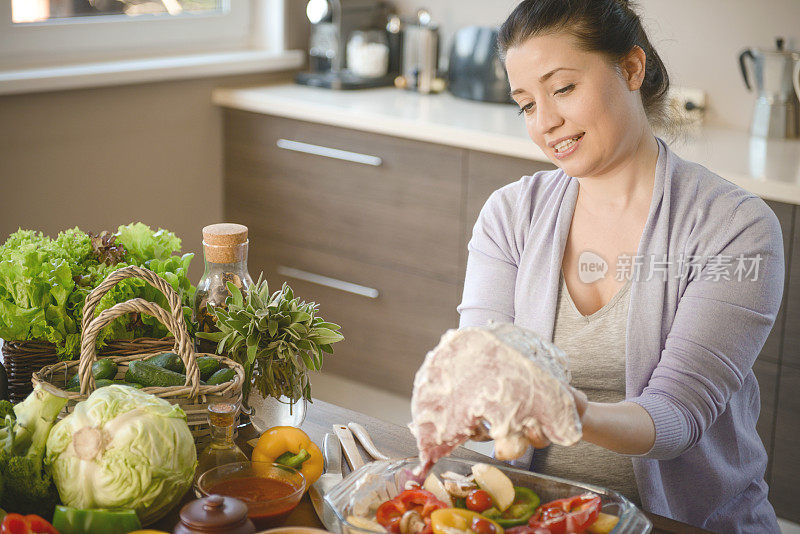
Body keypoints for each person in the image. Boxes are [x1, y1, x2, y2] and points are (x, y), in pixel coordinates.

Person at [456, 0, 784, 532]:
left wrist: (570, 412)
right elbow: (480, 368)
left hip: (683, 523)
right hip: (530, 515)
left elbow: (677, 417)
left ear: (631, 69)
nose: (546, 122)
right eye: (526, 104)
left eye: (562, 89)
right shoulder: (511, 215)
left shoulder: (736, 227)